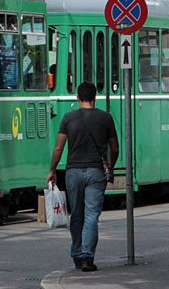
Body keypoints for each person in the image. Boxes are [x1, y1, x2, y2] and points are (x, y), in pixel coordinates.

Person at [47, 82, 118, 272]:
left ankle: (77, 254)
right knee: (92, 215)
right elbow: (115, 147)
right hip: (96, 172)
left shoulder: (68, 119)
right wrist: (111, 164)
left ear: (77, 98)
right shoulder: (106, 118)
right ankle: (87, 257)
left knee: (76, 214)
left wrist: (52, 170)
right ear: (95, 98)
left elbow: (59, 148)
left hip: (73, 172)